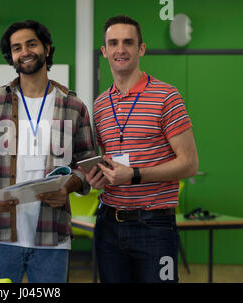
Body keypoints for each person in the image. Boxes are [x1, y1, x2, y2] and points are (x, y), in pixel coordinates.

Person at [0, 20, 96, 283]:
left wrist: (66, 188)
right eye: (16, 47)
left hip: (52, 237)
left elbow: (87, 165)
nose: (24, 51)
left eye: (31, 44)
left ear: (47, 49)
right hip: (0, 235)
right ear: (11, 56)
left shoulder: (73, 105)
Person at [80, 15, 199, 283]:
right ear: (104, 51)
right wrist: (97, 177)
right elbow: (105, 162)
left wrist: (134, 174)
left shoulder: (167, 97)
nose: (120, 49)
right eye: (113, 43)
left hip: (154, 227)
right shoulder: (99, 105)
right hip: (108, 224)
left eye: (128, 42)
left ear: (141, 49)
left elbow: (190, 163)